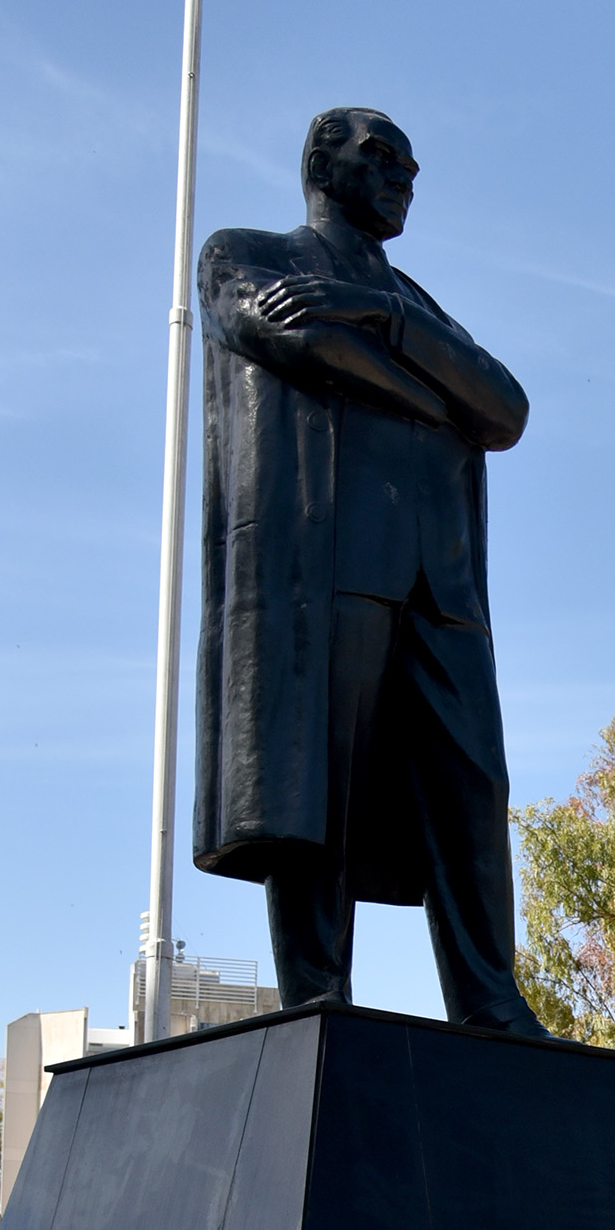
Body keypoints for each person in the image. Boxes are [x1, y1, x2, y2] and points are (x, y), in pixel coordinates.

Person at [195, 108, 545, 1032]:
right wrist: (439, 396)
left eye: (413, 169)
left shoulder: (415, 301)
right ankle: (319, 995)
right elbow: (299, 344)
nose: (402, 178)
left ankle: (490, 1002)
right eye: (381, 157)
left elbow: (505, 409)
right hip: (327, 562)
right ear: (321, 164)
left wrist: (384, 315)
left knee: (474, 792)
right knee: (320, 783)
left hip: (443, 584)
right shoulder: (245, 251)